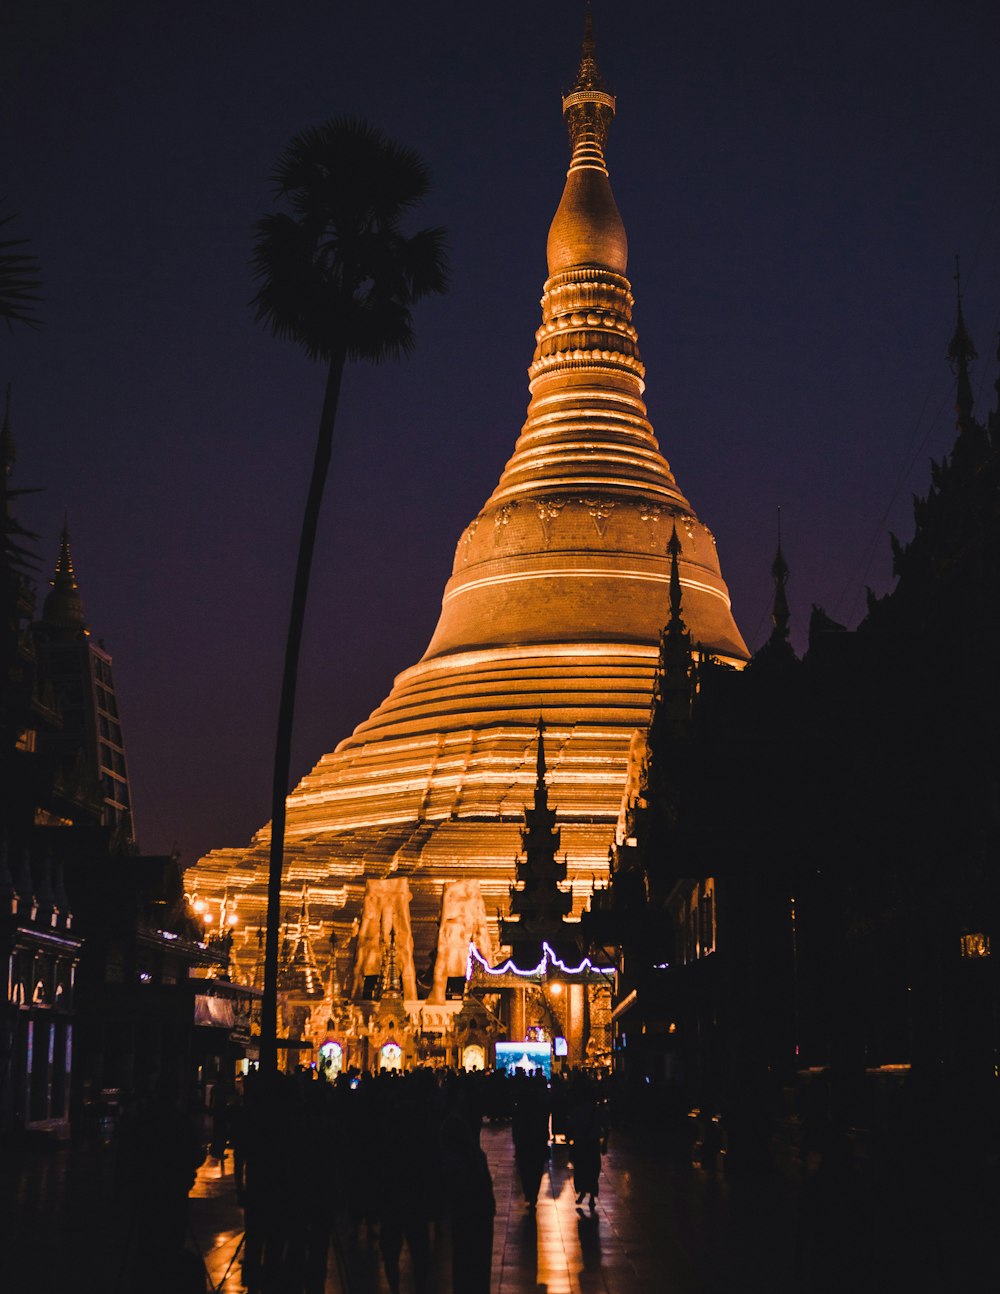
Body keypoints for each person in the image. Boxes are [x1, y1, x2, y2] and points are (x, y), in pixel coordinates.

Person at [568, 1079, 608, 1212]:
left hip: (581, 1143)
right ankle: (591, 1196)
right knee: (593, 1170)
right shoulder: (597, 1111)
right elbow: (606, 1127)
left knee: (581, 1169)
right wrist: (605, 1143)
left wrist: (570, 1141)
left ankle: (582, 1192)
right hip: (593, 1143)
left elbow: (571, 1126)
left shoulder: (577, 1110)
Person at [511, 1072, 550, 1207]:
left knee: (525, 1170)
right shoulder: (540, 1109)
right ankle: (533, 1194)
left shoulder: (520, 1110)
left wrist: (516, 1141)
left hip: (524, 1142)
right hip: (537, 1142)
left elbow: (516, 1127)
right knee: (536, 1169)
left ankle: (529, 1193)